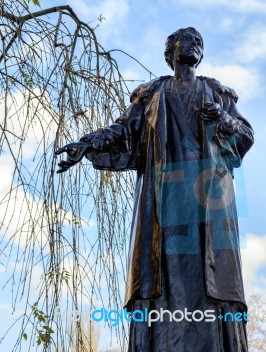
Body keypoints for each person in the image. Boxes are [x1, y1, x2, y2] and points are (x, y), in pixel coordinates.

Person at [56, 27, 254, 351]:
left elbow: (244, 137)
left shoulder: (217, 95)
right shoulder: (150, 96)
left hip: (208, 205)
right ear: (170, 52)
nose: (194, 44)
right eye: (186, 40)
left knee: (212, 282)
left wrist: (223, 120)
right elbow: (123, 132)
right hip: (163, 205)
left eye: (199, 42)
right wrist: (87, 143)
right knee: (161, 279)